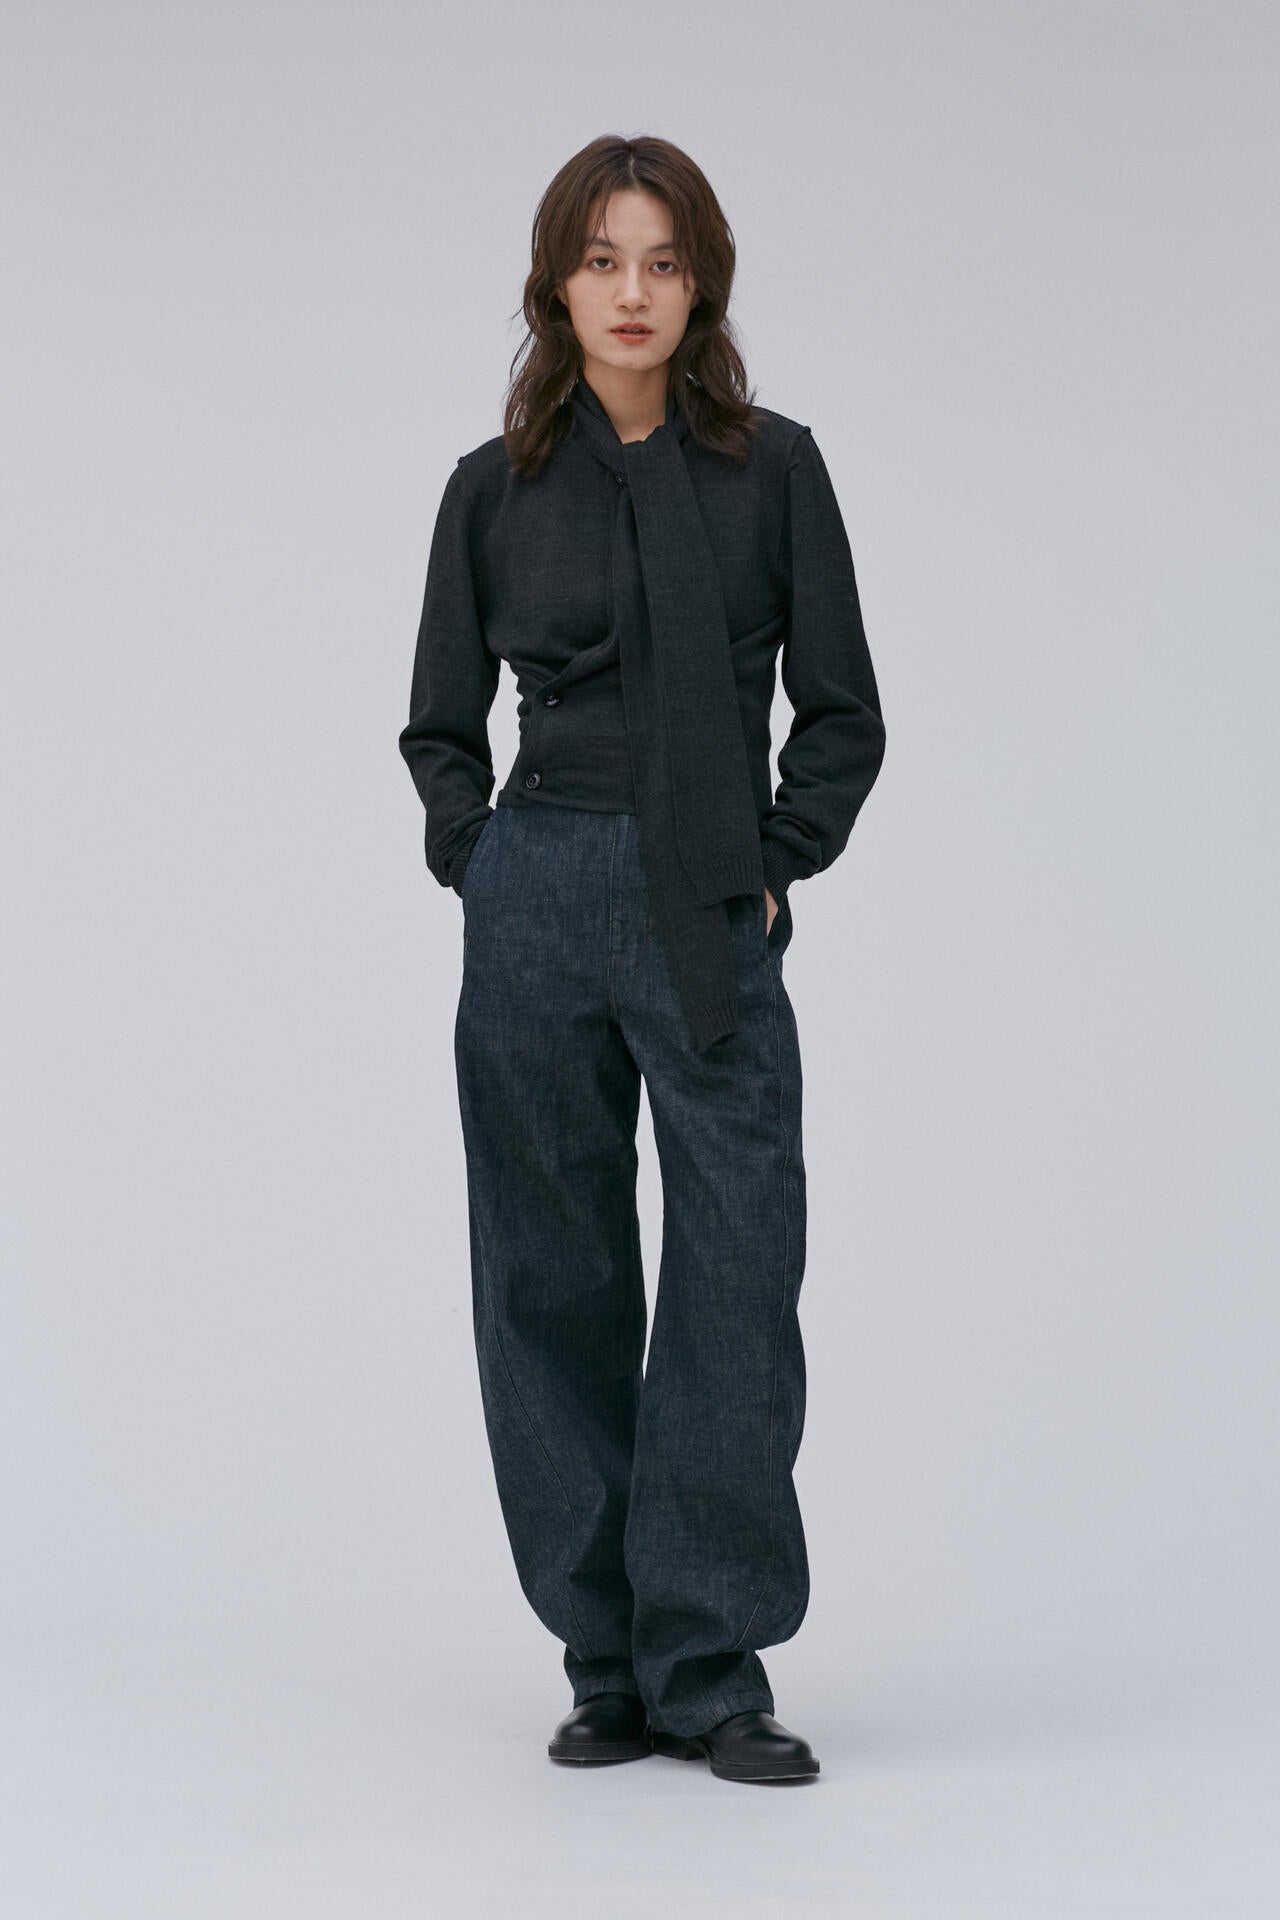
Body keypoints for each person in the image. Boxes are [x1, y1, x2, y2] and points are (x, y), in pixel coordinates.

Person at [398, 133, 886, 1786]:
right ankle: (606, 1656)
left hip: (705, 894)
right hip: (537, 884)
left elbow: (841, 710)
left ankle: (711, 1660)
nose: (632, 291)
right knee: (550, 1271)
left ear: (702, 286)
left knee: (738, 1268)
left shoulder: (774, 469)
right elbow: (439, 722)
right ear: (557, 282)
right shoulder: (491, 487)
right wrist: (479, 861)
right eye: (603, 259)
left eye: (662, 261)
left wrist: (775, 862)